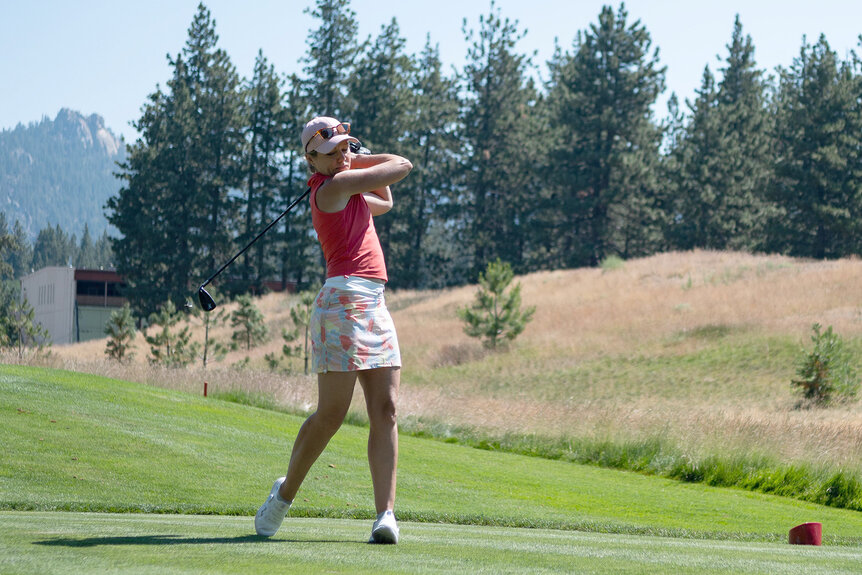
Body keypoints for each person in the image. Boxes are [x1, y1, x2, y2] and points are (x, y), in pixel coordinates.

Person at [254, 117, 413, 544]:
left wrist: (350, 160)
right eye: (335, 151)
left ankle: (386, 515)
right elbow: (401, 164)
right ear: (312, 159)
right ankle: (283, 495)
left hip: (374, 303)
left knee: (387, 410)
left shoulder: (348, 186)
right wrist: (359, 160)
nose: (344, 156)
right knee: (331, 416)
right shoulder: (333, 189)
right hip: (342, 302)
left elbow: (386, 200)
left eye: (347, 148)